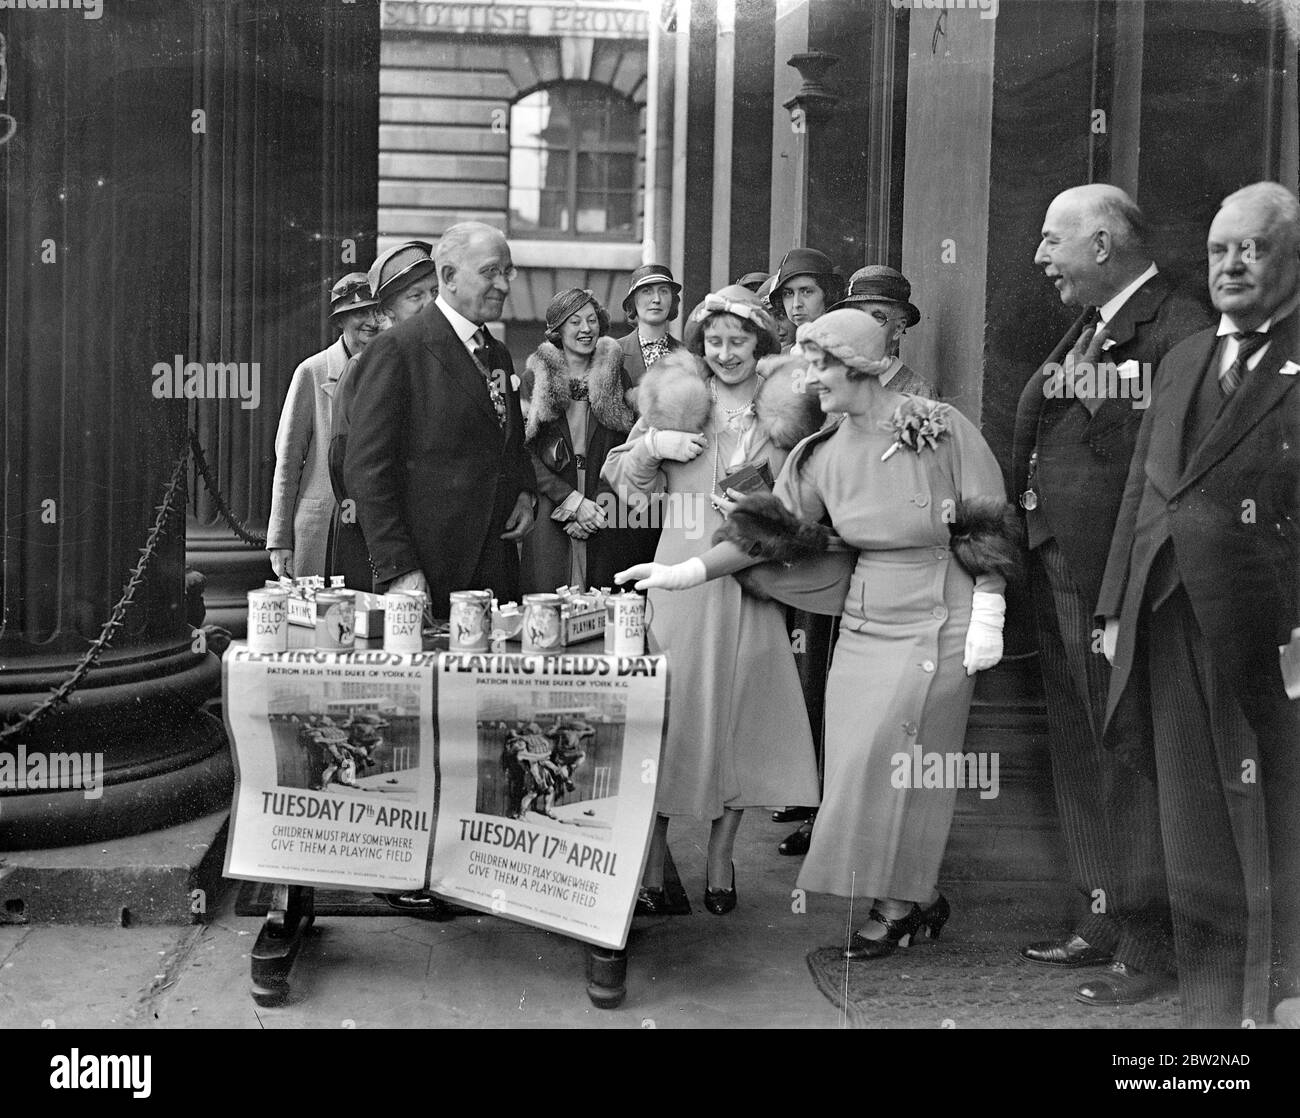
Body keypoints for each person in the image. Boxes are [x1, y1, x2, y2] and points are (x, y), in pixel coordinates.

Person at [618, 309, 1017, 957]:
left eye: (820, 364)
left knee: (906, 762)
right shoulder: (819, 452)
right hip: (867, 621)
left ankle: (897, 904)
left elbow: (986, 515)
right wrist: (687, 570)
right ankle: (915, 894)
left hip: (943, 612)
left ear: (857, 365)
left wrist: (991, 605)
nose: (809, 378)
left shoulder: (941, 427)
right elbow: (766, 533)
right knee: (859, 763)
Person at [1097, 181, 1300, 1028]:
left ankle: (1278, 999)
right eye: (1219, 250)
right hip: (1166, 618)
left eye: (1251, 248)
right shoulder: (1183, 357)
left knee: (1275, 829)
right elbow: (1145, 494)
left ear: (1289, 257)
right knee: (1192, 832)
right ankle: (1211, 1023)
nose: (1232, 265)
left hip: (1269, 636)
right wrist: (1113, 608)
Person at [1010, 184, 1211, 1007]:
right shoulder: (1092, 322)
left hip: (1116, 581)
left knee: (1127, 750)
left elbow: (1166, 465)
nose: (1040, 257)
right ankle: (1101, 915)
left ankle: (1149, 943)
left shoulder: (1177, 325)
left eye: (1053, 241)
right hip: (1059, 564)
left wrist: (1118, 598)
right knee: (1080, 745)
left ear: (1101, 244)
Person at [601, 287, 820, 917]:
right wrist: (649, 448)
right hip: (678, 579)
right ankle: (649, 864)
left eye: (739, 341)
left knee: (738, 723)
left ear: (763, 345)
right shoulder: (675, 398)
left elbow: (805, 505)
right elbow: (623, 485)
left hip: (749, 584)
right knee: (669, 723)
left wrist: (761, 511)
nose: (725, 354)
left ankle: (721, 861)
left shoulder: (789, 411)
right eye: (715, 341)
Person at [343, 222, 535, 617]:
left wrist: (524, 493)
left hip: (495, 573)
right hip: (427, 578)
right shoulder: (396, 350)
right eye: (490, 272)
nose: (503, 284)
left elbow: (510, 443)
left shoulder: (496, 352)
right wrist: (400, 570)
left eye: (507, 271)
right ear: (448, 276)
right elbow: (365, 470)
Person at [519, 288, 656, 593]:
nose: (586, 329)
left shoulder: (617, 377)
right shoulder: (535, 380)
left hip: (603, 504)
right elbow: (524, 452)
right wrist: (570, 502)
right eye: (575, 321)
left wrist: (594, 507)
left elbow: (628, 448)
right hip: (552, 504)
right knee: (548, 602)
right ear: (557, 331)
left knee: (603, 599)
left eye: (592, 320)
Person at [326, 241, 439, 589]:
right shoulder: (365, 366)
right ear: (386, 312)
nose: (429, 304)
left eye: (434, 292)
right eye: (415, 296)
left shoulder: (444, 360)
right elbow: (344, 462)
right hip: (381, 544)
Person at [267, 273, 383, 580]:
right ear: (341, 321)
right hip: (320, 531)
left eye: (377, 311)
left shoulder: (390, 370)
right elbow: (288, 461)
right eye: (360, 312)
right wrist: (279, 539)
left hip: (376, 530)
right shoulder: (312, 372)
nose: (372, 320)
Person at [831, 265, 936, 398]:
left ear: (898, 328)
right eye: (856, 314)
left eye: (878, 317)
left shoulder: (918, 393)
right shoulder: (830, 383)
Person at [617, 263, 684, 391]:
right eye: (647, 292)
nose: (657, 299)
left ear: (672, 301)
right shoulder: (614, 353)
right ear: (633, 301)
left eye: (664, 291)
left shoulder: (686, 354)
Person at [768, 247, 846, 336]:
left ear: (828, 294)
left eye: (807, 292)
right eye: (788, 293)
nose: (796, 304)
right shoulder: (794, 348)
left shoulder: (840, 344)